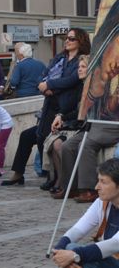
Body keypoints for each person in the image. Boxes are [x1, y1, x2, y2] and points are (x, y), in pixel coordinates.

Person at [2, 28, 90, 187]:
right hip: (50, 103)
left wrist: (50, 85)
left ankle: (53, 177)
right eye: (66, 38)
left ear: (80, 41)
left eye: (71, 38)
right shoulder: (60, 57)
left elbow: (72, 80)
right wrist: (43, 86)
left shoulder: (81, 60)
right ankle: (20, 174)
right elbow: (42, 76)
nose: (67, 41)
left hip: (65, 106)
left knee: (46, 137)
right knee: (34, 135)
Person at [52, 158, 119, 268]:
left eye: (103, 182)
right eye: (98, 180)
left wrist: (74, 255)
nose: (96, 187)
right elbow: (78, 229)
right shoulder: (102, 202)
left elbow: (115, 244)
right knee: (72, 248)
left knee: (84, 258)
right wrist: (60, 250)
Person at [43, 55, 89, 193]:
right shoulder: (79, 86)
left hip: (85, 126)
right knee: (53, 141)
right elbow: (71, 108)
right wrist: (60, 116)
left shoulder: (91, 87)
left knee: (60, 145)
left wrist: (64, 117)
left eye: (83, 67)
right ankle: (61, 180)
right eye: (79, 67)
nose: (79, 69)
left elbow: (82, 113)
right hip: (75, 123)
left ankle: (68, 184)